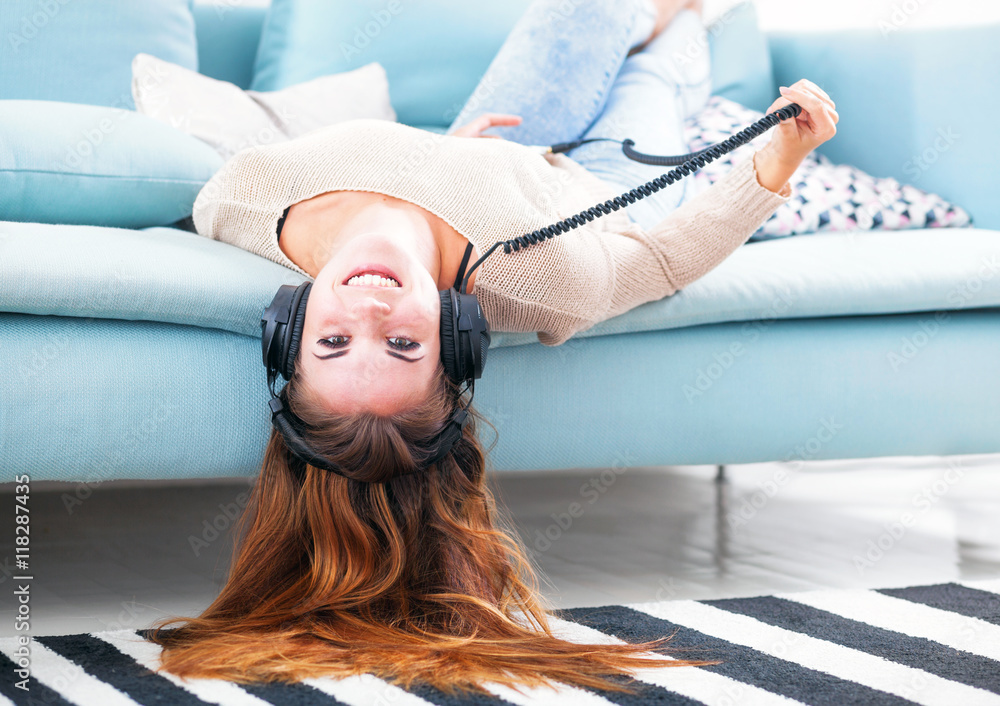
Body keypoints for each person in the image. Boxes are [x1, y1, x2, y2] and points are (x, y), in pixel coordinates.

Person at [144, 0, 838, 696]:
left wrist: (445, 157)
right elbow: (661, 260)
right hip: (598, 192)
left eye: (333, 341)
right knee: (656, 69)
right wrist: (780, 157)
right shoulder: (543, 278)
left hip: (484, 147)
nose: (369, 307)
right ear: (454, 333)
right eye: (402, 344)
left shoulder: (243, 200)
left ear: (289, 329)